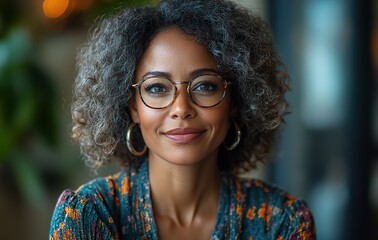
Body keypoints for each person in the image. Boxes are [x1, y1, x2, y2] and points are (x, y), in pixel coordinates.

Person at [49, 0, 316, 239]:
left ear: (235, 101)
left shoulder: (283, 222)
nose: (181, 108)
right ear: (132, 107)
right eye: (156, 88)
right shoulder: (88, 214)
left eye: (205, 86)